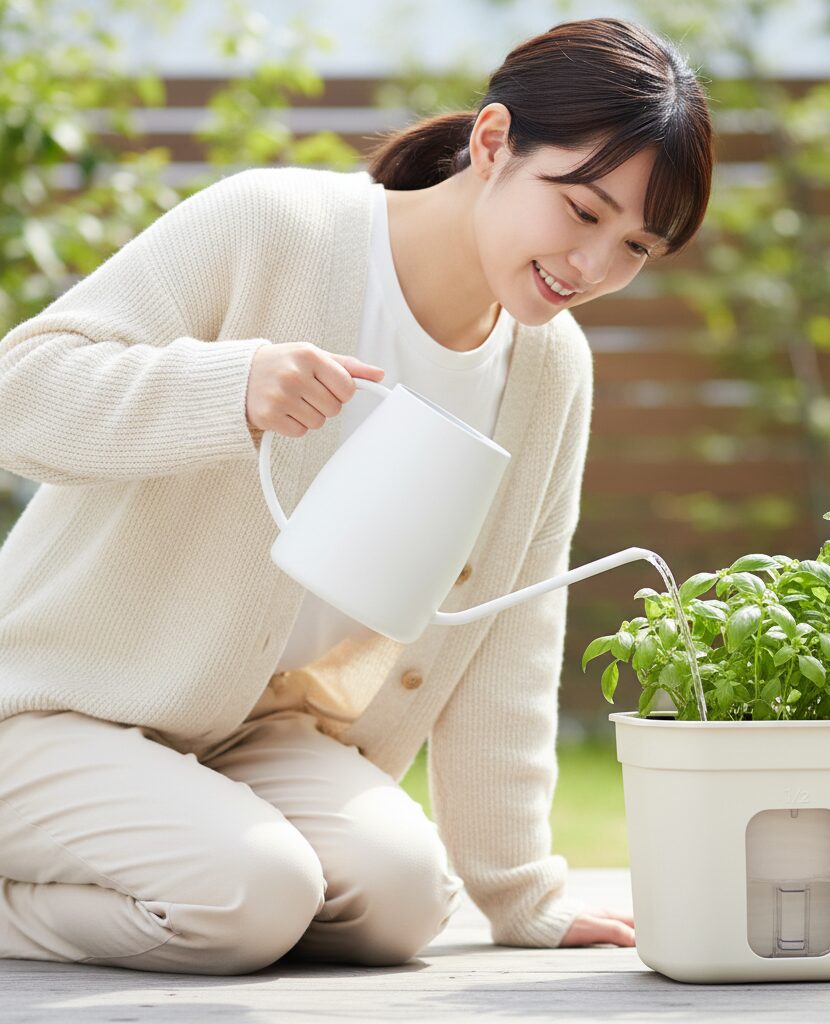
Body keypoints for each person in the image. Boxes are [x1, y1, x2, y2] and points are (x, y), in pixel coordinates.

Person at [0, 17, 712, 975]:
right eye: (582, 213)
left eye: (635, 246)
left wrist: (520, 891)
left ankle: (202, 866)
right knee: (250, 897)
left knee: (404, 901)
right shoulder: (278, 227)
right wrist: (228, 388)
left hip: (251, 734)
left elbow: (514, 624)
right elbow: (21, 394)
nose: (593, 269)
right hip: (54, 706)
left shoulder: (550, 370)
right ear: (494, 143)